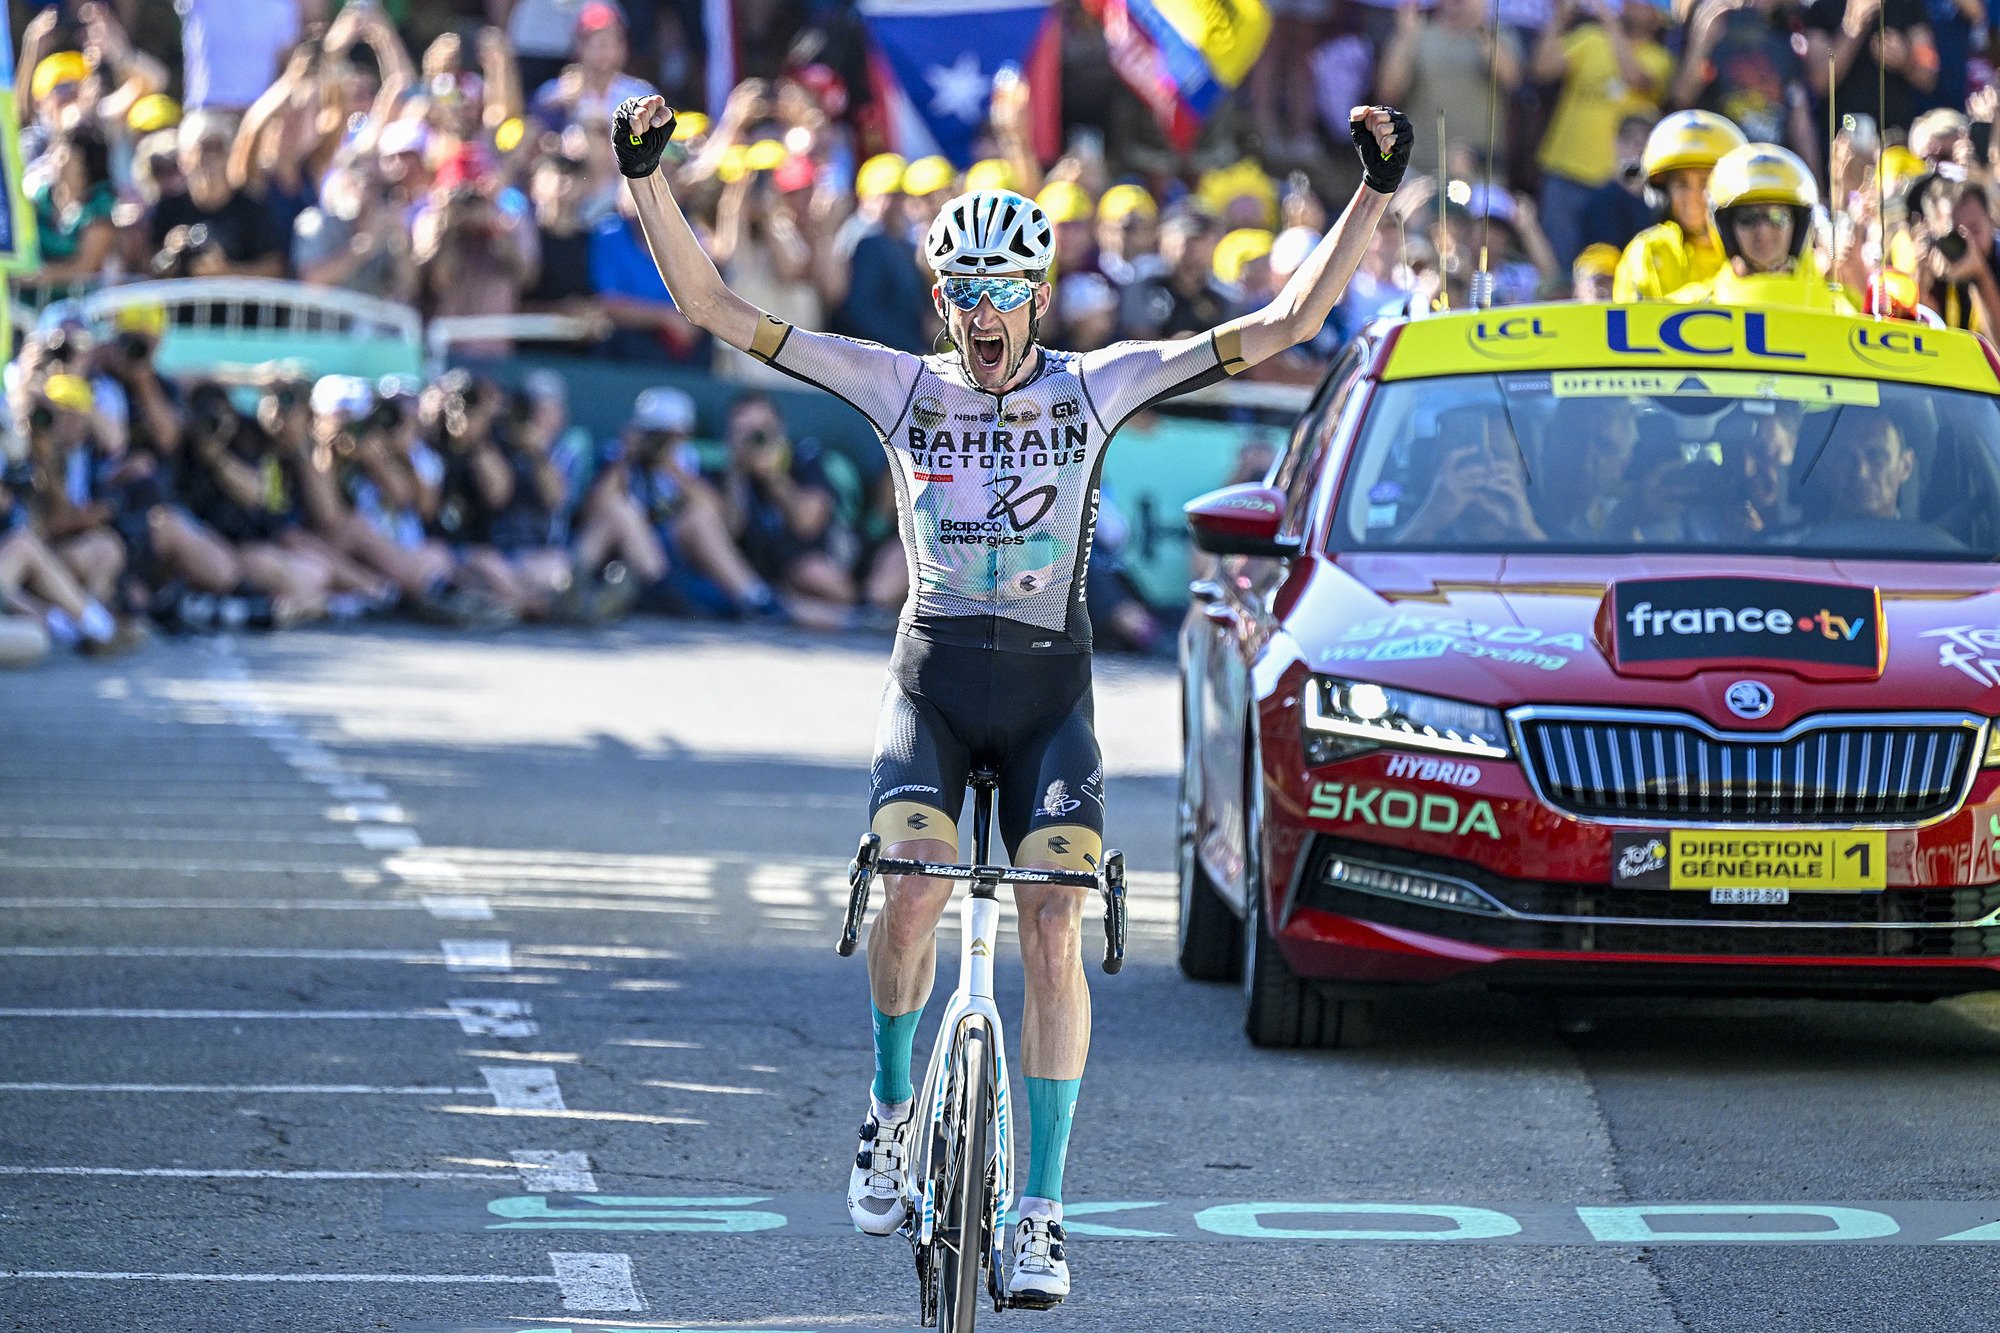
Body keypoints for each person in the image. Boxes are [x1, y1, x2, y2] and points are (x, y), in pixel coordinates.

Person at [611, 91, 1411, 1306]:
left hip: (1048, 700)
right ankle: (887, 1108)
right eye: (965, 294)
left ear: (1039, 295)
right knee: (912, 887)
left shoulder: (1095, 388)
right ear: (942, 301)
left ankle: (1038, 1209)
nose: (985, 315)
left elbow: (1287, 318)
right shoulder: (898, 386)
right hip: (931, 686)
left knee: (1051, 922)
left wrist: (1374, 191)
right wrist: (642, 178)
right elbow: (716, 307)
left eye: (1006, 292)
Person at [1532, 0, 1676, 270]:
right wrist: (1560, 17)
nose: (1630, 6)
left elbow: (1636, 78)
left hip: (1619, 185)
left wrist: (1607, 20)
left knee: (1608, 269)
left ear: (1657, 16)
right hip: (1566, 172)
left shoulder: (1660, 58)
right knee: (1558, 268)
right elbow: (1542, 69)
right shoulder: (1589, 38)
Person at [1669, 142, 1856, 310]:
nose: (1764, 232)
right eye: (1747, 218)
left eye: (1777, 217)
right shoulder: (1685, 310)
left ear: (1798, 226)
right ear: (1725, 228)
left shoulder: (1836, 309)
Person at [1614, 109, 1747, 300]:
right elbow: (1638, 322)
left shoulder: (1756, 247)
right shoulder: (1648, 252)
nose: (1693, 196)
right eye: (1681, 184)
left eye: (1705, 183)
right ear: (1662, 193)